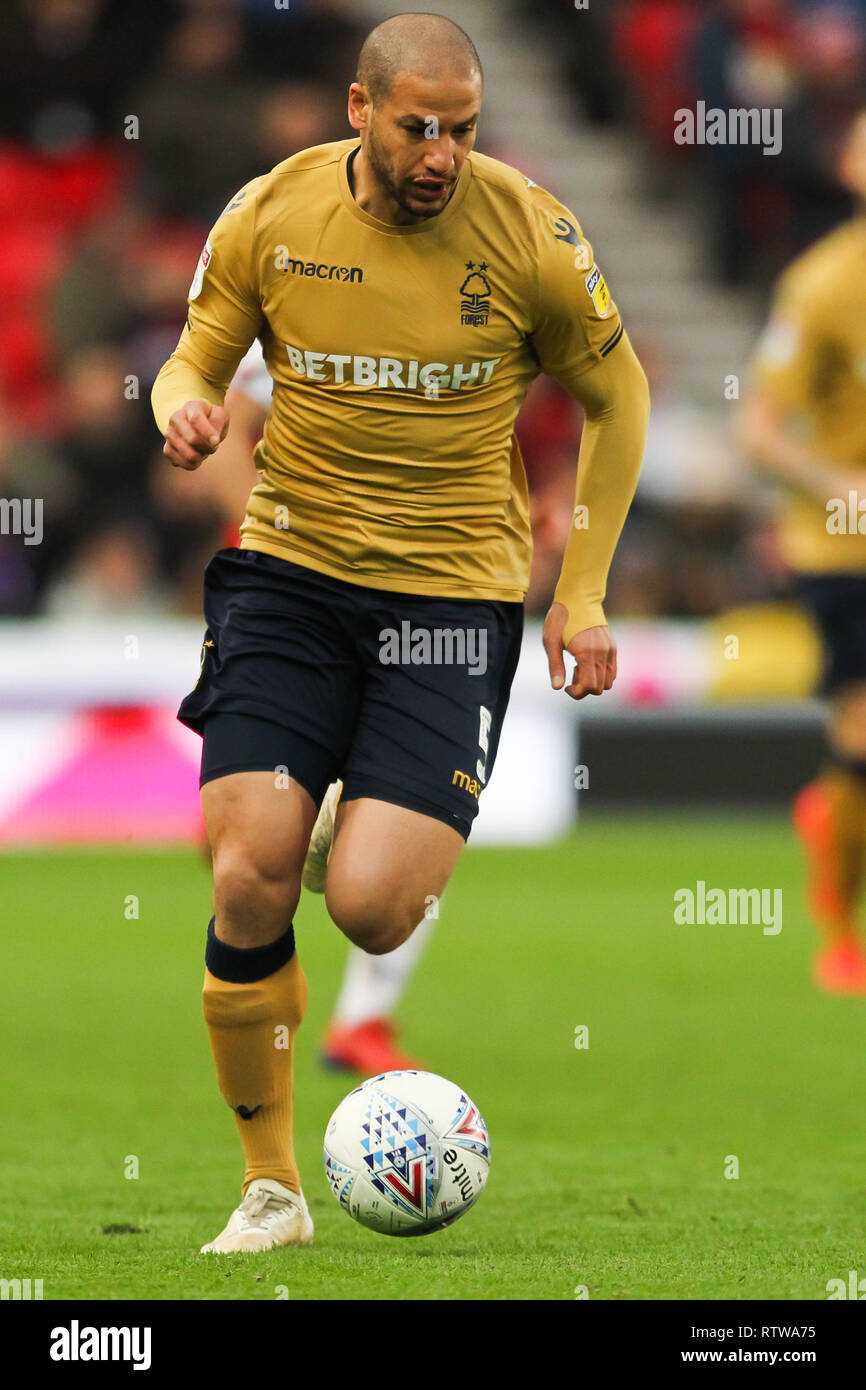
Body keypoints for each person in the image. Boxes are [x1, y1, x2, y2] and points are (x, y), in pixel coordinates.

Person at [151, 12, 649, 1254]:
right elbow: (186, 365)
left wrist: (580, 588)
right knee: (247, 872)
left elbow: (616, 391)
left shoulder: (528, 229)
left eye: (463, 129)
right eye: (419, 126)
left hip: (447, 598)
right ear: (360, 109)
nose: (441, 153)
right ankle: (271, 1191)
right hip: (290, 580)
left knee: (371, 910)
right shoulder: (271, 213)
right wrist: (189, 412)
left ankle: (347, 830)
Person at [203, 337, 434, 1076]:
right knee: (252, 850)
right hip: (287, 607)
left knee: (416, 809)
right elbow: (221, 428)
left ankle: (362, 1018)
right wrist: (274, 547)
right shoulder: (302, 293)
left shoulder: (447, 302)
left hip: (410, 599)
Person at [739, 108, 866, 995]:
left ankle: (832, 811)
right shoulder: (823, 285)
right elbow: (758, 430)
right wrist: (840, 487)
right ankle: (840, 935)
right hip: (845, 549)